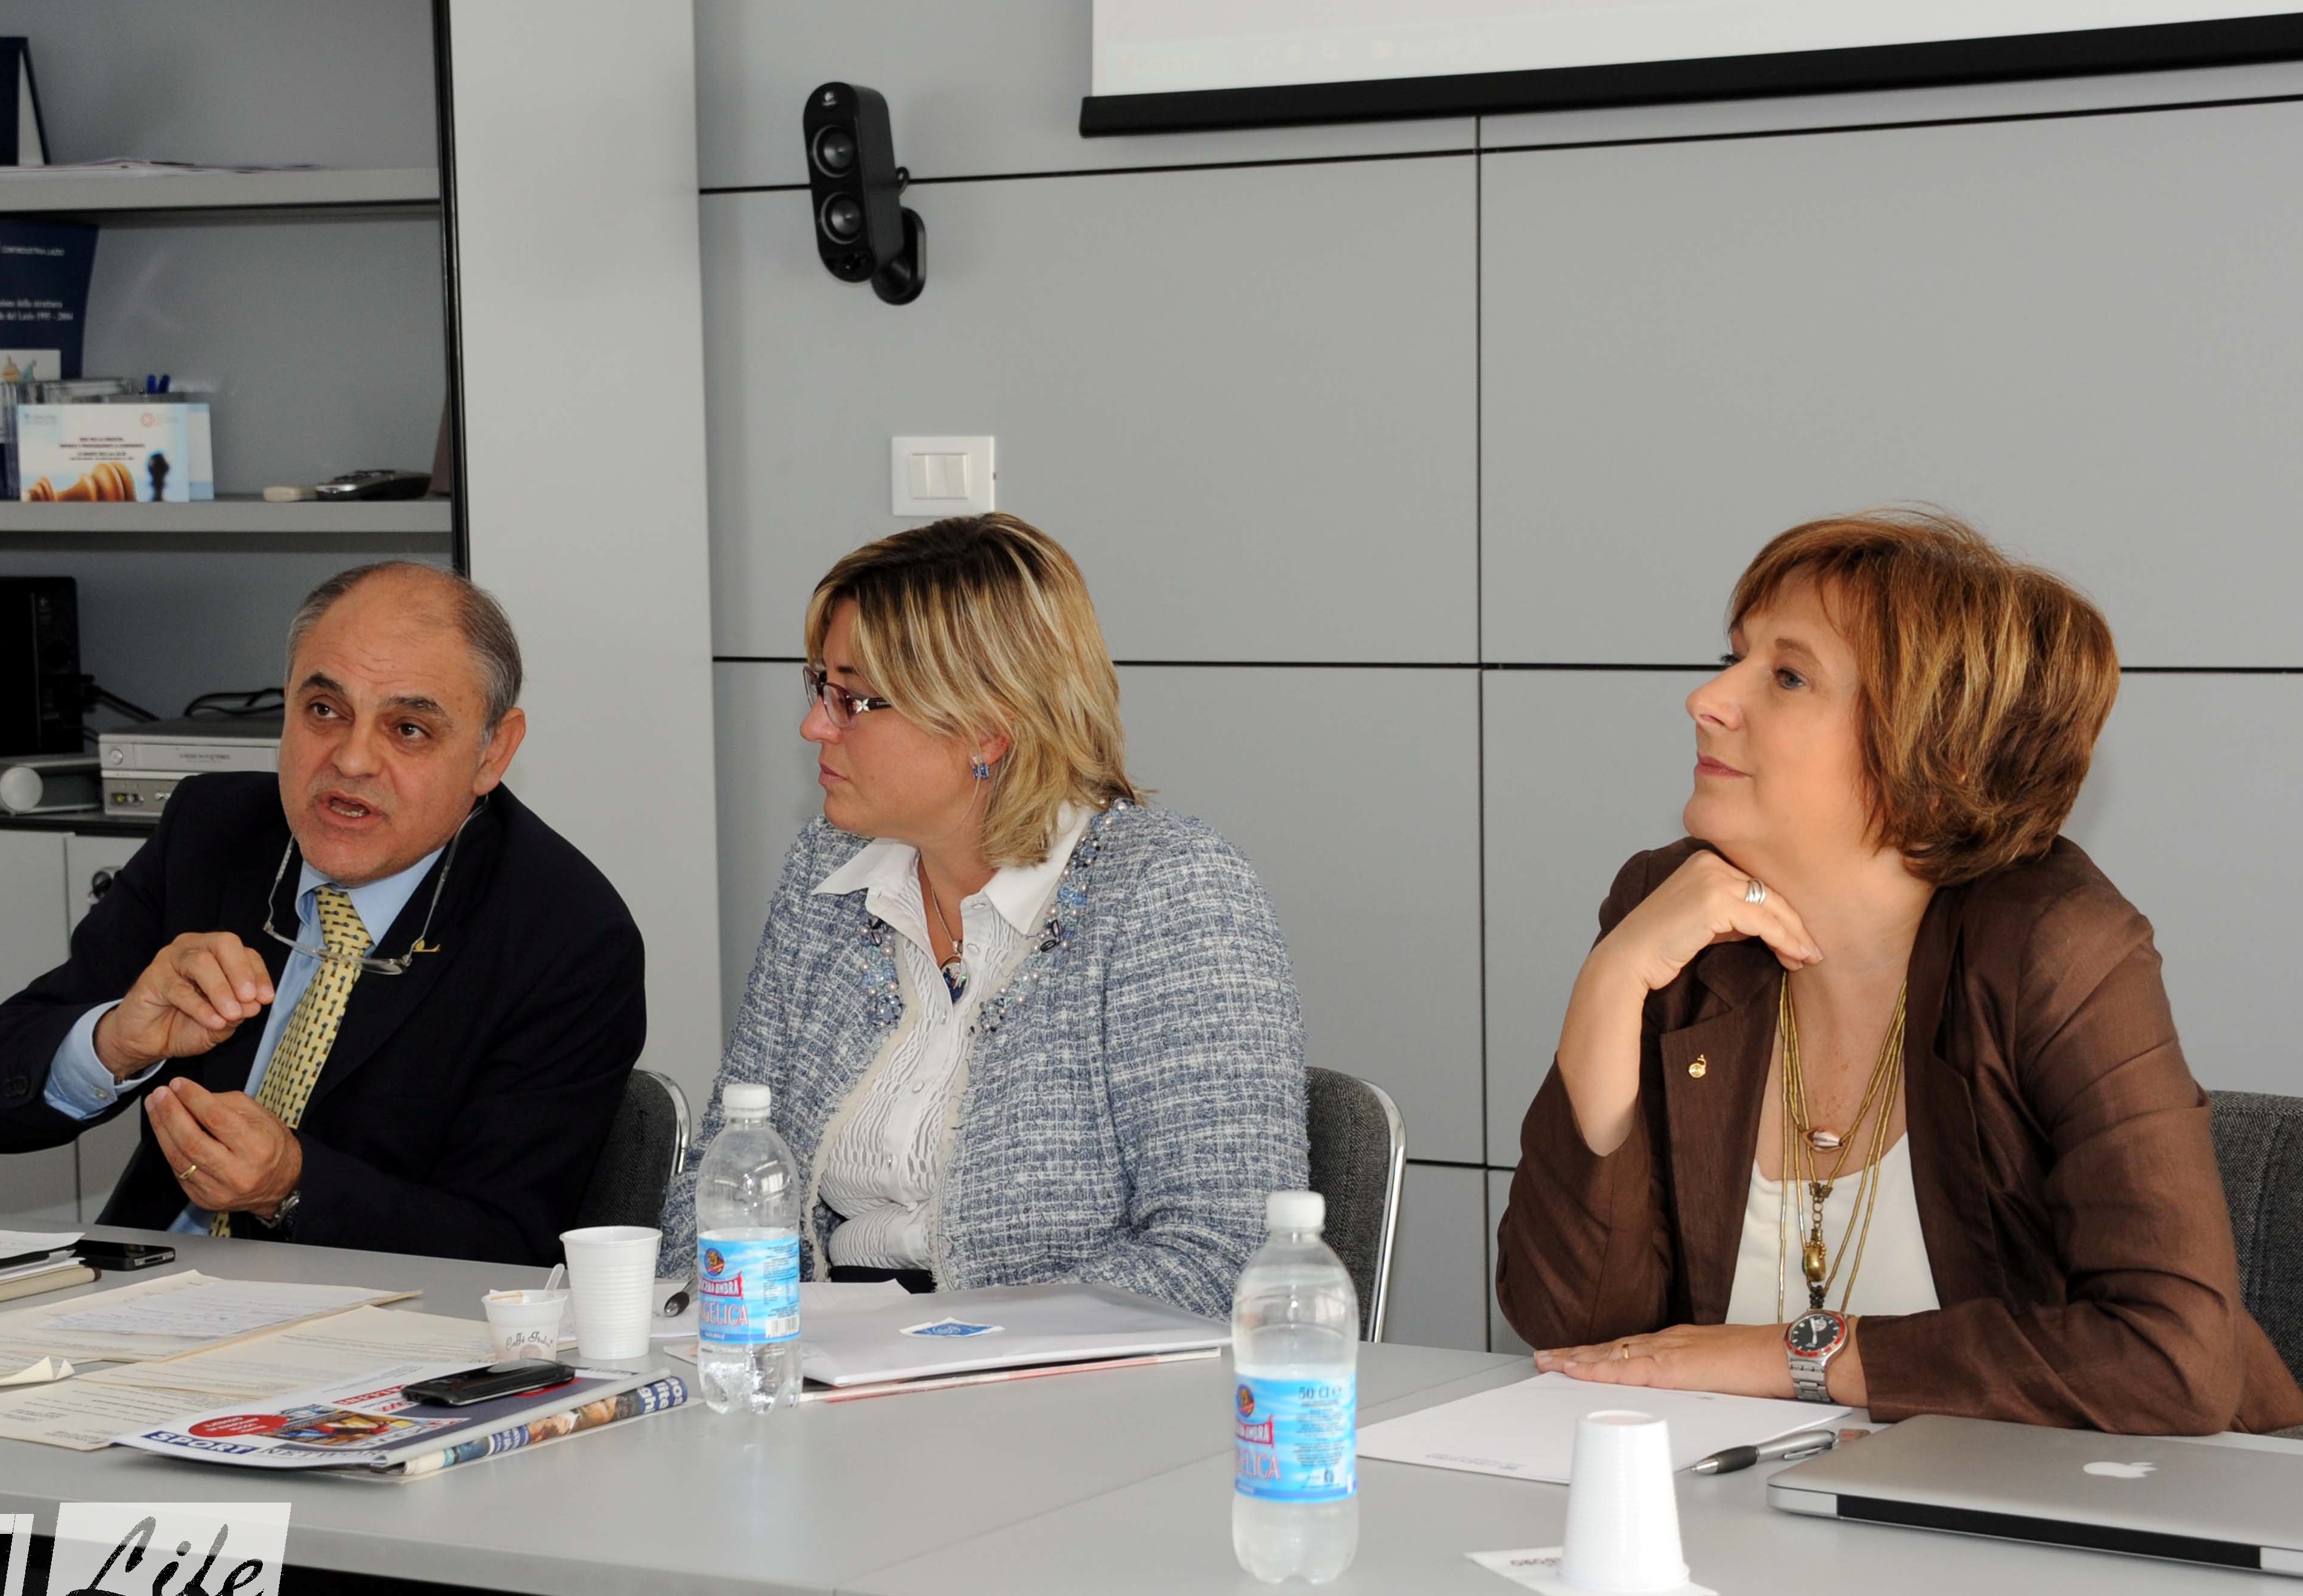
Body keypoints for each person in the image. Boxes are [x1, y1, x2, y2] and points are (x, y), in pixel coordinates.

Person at [1498, 511, 2303, 1434]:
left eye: (1788, 676)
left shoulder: (2058, 950)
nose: (1707, 699)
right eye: (1735, 657)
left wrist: (1796, 1355)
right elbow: (1578, 1329)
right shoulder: (1674, 918)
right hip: (1776, 1504)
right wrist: (1609, 984)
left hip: (2108, 1507)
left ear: (1936, 752)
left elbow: (2171, 1360)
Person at [660, 513, 1307, 1319]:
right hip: (824, 1351)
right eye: (819, 686)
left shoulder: (1169, 892)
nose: (815, 725)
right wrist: (743, 1328)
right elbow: (721, 1173)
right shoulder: (824, 871)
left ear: (985, 728)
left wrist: (949, 1347)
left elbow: (1224, 1255)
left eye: (853, 699)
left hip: (1053, 1372)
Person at [0, 563, 646, 1264]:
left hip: (378, 1314)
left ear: (493, 752)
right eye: (324, 711)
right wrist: (115, 1042)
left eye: (407, 728)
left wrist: (292, 1187)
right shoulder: (213, 831)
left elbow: (509, 1246)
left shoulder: (566, 938)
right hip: (147, 1281)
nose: (352, 760)